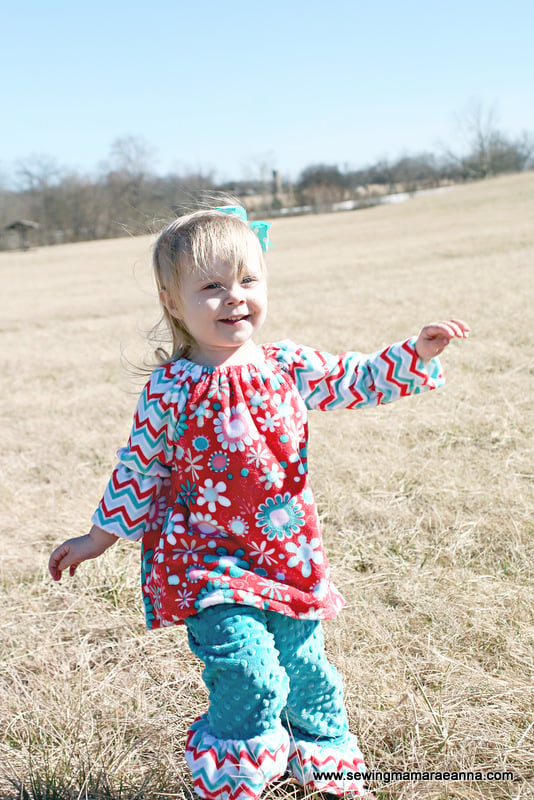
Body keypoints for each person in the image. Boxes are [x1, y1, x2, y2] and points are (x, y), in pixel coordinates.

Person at [49, 206, 470, 800]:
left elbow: (356, 378)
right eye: (212, 286)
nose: (234, 298)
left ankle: (324, 768)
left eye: (248, 281)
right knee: (250, 672)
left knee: (308, 674)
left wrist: (416, 354)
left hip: (286, 554)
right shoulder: (169, 389)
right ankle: (231, 776)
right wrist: (99, 537)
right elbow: (140, 466)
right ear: (173, 303)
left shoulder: (286, 366)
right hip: (206, 562)